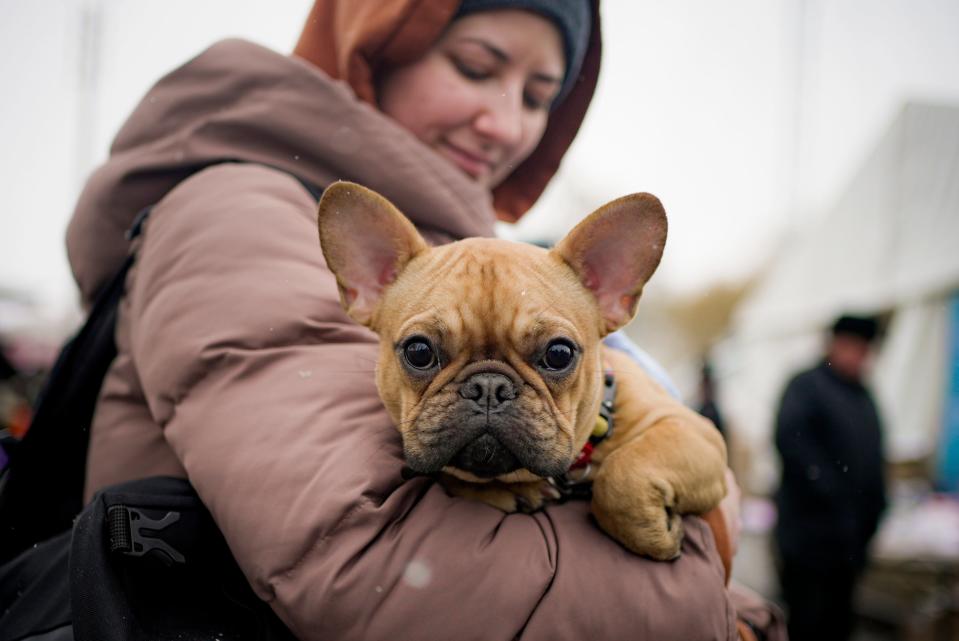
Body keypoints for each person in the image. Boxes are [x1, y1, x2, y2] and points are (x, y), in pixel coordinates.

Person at [66, 1, 741, 638]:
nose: (506, 122)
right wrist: (719, 594)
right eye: (475, 68)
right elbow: (371, 573)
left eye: (538, 98)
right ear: (376, 40)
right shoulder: (238, 214)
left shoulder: (497, 264)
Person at [774, 313, 888, 641]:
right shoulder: (806, 386)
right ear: (834, 344)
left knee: (840, 623)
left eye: (864, 350)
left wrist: (876, 507)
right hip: (809, 538)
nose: (857, 357)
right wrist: (832, 491)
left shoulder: (863, 394)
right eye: (851, 347)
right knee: (809, 623)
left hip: (849, 542)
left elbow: (873, 456)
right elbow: (792, 444)